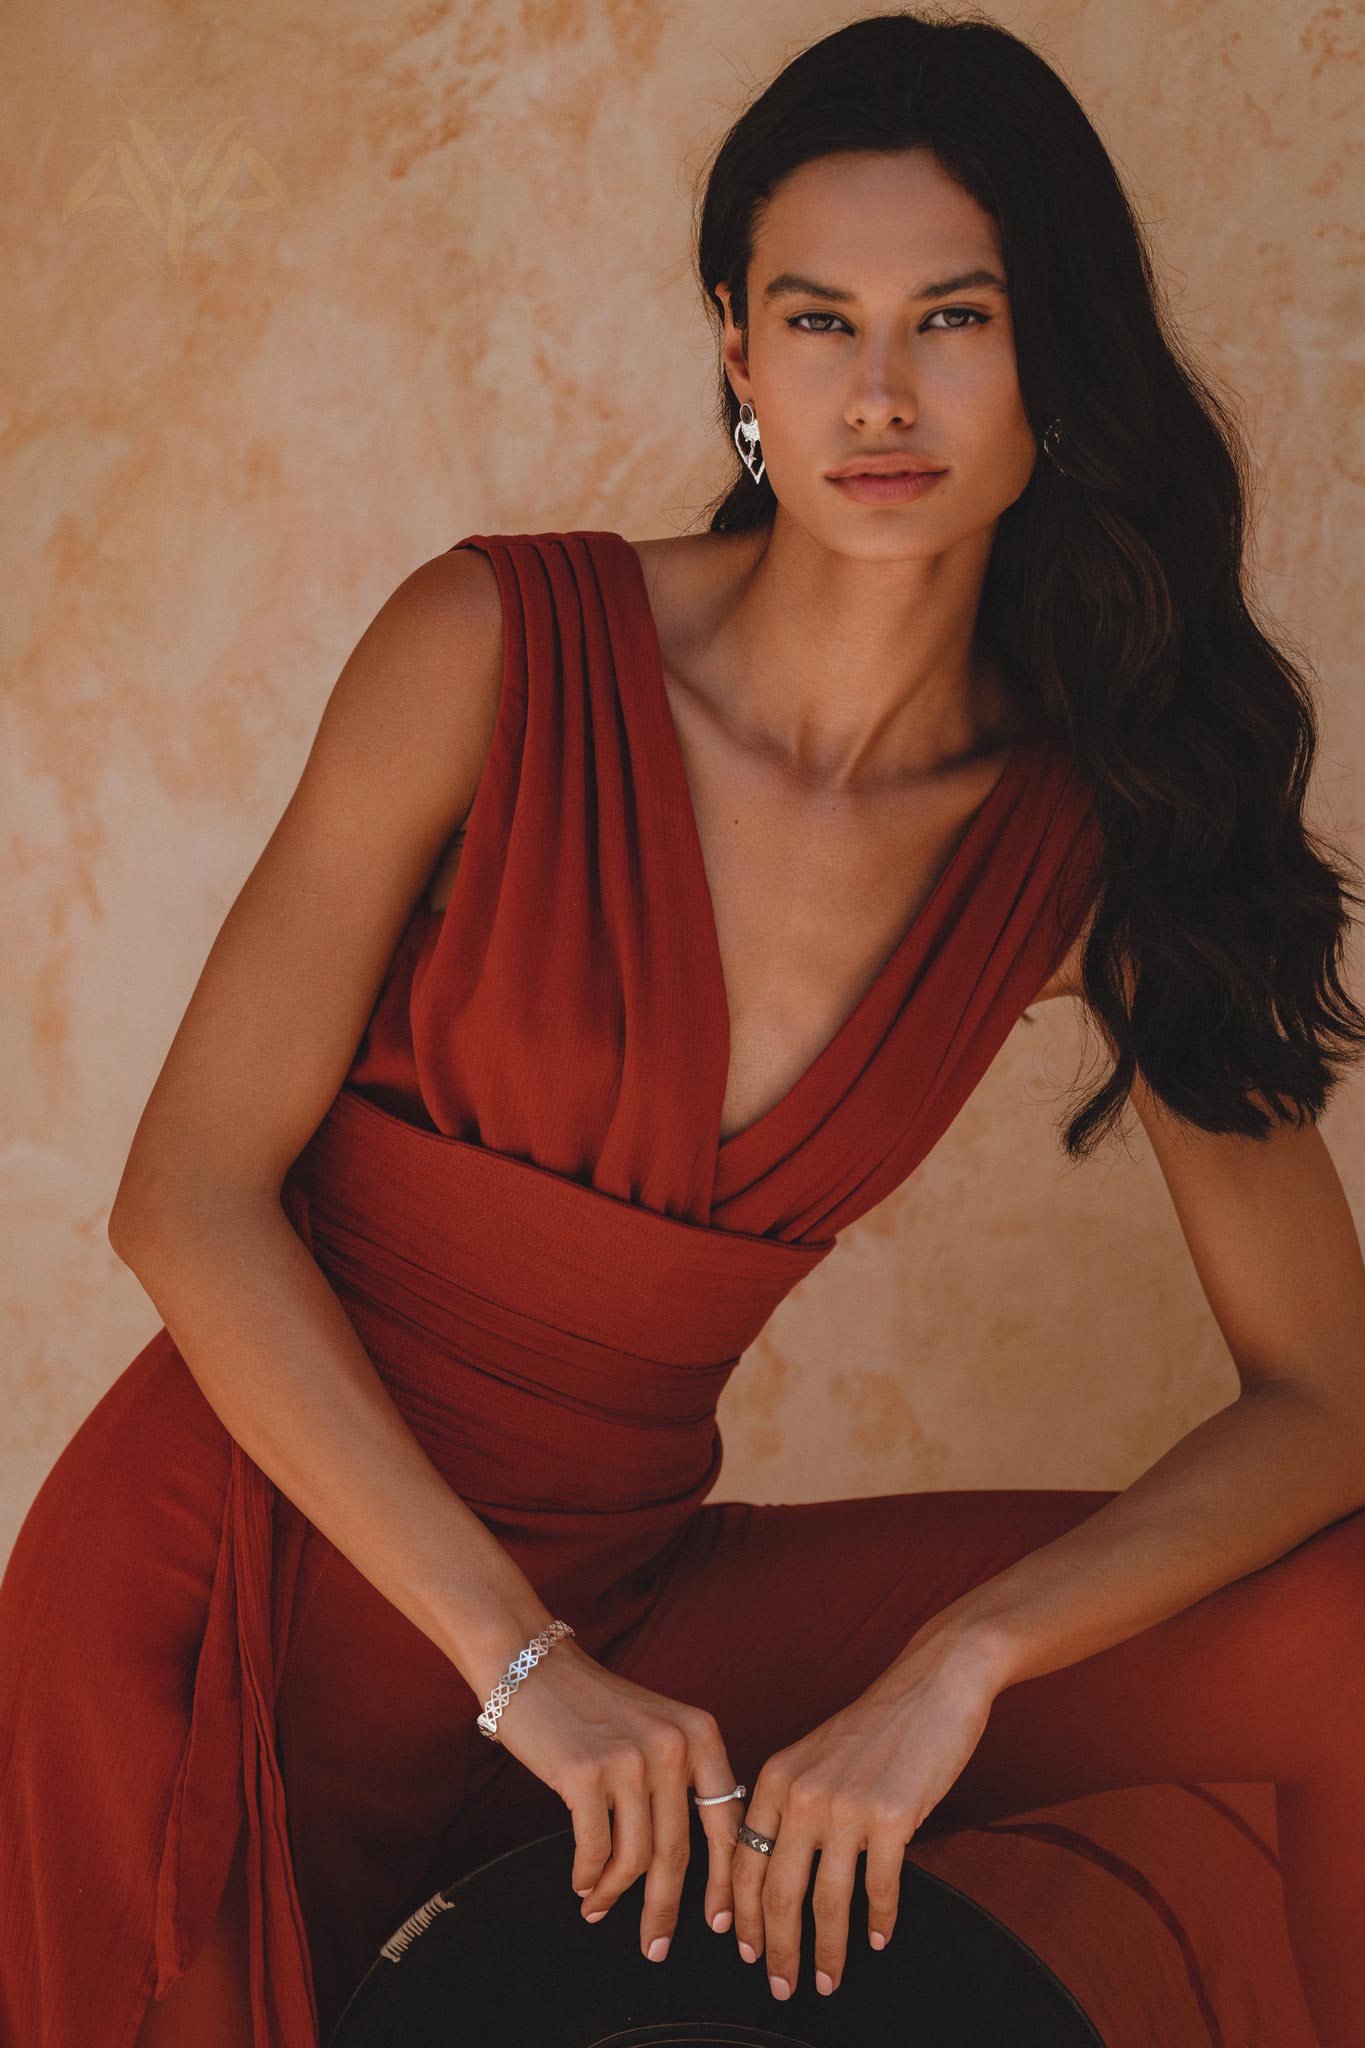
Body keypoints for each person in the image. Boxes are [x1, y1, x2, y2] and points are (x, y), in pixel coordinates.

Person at [4, 11, 1364, 2047]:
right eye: (815, 318)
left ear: (1048, 357)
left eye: (953, 316)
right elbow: (187, 1197)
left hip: (636, 1614)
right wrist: (521, 1668)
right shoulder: (491, 646)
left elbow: (1321, 1400)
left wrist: (956, 1665)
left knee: (1333, 1635)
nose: (877, 388)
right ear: (733, 348)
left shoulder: (1090, 825)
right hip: (243, 1608)